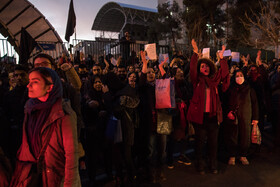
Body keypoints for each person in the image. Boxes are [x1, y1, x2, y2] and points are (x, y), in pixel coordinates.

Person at [10, 67, 80, 187]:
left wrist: (69, 183)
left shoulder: (63, 115)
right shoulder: (30, 109)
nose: (28, 86)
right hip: (33, 175)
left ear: (50, 87)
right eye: (30, 81)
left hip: (56, 178)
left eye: (35, 82)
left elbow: (71, 156)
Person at [187, 39, 230, 174]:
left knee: (213, 144)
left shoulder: (214, 81)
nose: (204, 68)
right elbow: (192, 69)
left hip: (213, 117)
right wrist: (195, 53)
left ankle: (213, 164)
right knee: (199, 143)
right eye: (202, 67)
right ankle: (199, 164)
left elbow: (225, 74)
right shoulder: (196, 81)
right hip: (200, 118)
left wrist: (222, 58)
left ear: (210, 68)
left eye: (206, 66)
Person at [224, 70, 259, 165]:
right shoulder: (231, 89)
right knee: (232, 136)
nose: (239, 77)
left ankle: (243, 155)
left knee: (245, 136)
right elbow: (226, 102)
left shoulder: (250, 89)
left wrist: (255, 118)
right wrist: (228, 112)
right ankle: (232, 155)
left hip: (246, 116)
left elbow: (255, 104)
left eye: (241, 75)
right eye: (237, 76)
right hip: (233, 117)